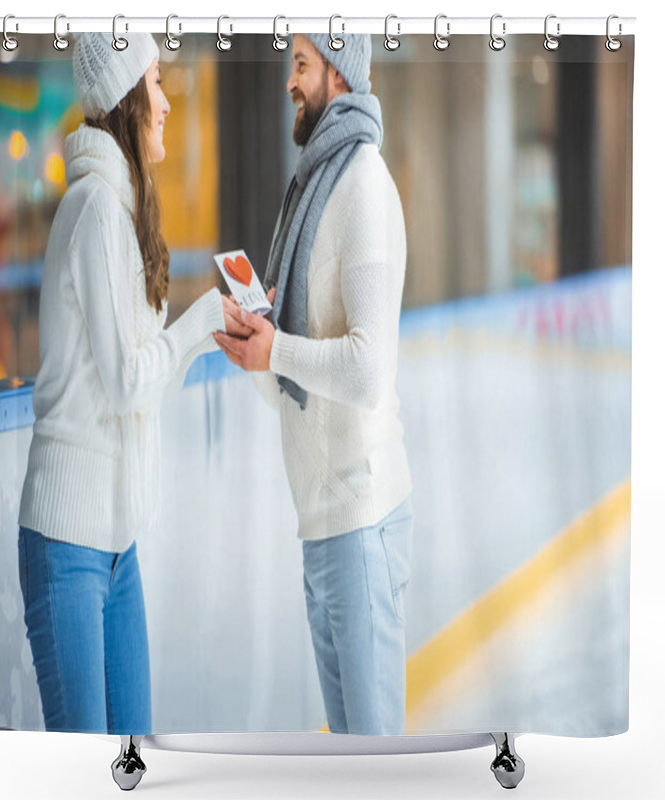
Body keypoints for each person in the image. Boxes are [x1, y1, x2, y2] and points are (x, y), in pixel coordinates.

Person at [17, 32, 244, 734]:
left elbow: (141, 389)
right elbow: (124, 386)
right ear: (124, 100)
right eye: (155, 83)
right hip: (68, 545)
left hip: (117, 548)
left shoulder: (122, 213)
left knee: (135, 757)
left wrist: (197, 334)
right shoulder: (92, 213)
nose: (168, 102)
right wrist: (204, 317)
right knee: (88, 768)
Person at [214, 33, 413, 736]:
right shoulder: (308, 191)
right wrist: (259, 349)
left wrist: (281, 351)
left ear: (338, 69)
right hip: (322, 526)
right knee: (352, 763)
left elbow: (367, 369)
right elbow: (292, 374)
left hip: (360, 523)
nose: (288, 84)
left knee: (377, 763)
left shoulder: (360, 185)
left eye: (300, 66)